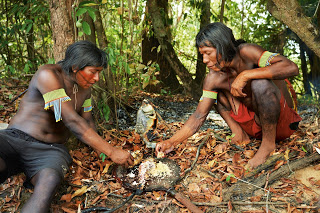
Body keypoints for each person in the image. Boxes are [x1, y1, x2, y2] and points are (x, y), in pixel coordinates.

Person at [0, 41, 134, 213]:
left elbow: (86, 122)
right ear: (76, 67)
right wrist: (111, 151)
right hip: (14, 138)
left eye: (99, 73)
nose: (97, 79)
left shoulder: (86, 90)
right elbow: (71, 120)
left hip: (50, 150)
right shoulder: (48, 74)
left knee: (49, 181)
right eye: (93, 72)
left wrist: (102, 154)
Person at [156, 22, 302, 169]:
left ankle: (268, 146)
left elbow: (291, 67)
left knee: (260, 83)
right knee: (217, 94)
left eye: (208, 53)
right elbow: (199, 115)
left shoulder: (247, 52)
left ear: (222, 46)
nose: (205, 60)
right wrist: (171, 142)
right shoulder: (213, 78)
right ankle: (239, 134)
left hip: (282, 125)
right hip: (256, 127)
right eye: (202, 55)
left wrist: (246, 75)